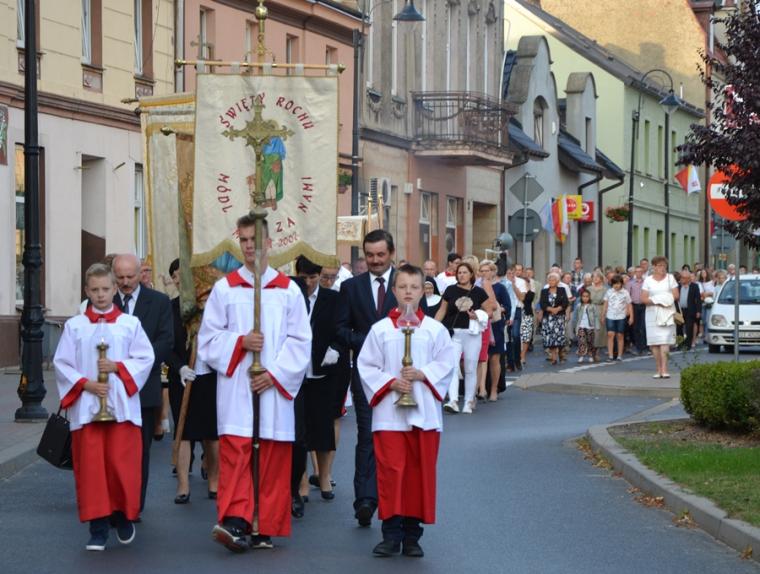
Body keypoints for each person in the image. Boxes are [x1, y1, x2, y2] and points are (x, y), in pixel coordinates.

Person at [197, 215, 311, 552]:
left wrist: (273, 374)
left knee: (272, 457)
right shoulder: (225, 289)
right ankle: (236, 520)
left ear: (269, 243)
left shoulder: (288, 291)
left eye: (255, 240)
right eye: (244, 240)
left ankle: (265, 525)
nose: (249, 246)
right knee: (236, 453)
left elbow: (301, 341)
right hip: (237, 389)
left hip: (272, 389)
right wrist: (241, 343)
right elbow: (207, 340)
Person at [53, 263, 154, 551]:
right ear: (87, 291)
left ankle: (122, 517)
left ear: (114, 289)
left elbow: (145, 358)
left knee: (121, 467)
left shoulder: (129, 324)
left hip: (121, 409)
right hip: (87, 409)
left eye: (105, 289)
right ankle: (97, 529)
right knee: (92, 471)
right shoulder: (75, 326)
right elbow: (62, 364)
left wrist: (117, 367)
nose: (100, 295)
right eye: (95, 290)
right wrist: (86, 384)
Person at [357, 264, 455, 558]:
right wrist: (390, 382)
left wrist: (423, 374)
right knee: (392, 473)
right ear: (394, 291)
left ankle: (413, 535)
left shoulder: (435, 330)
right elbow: (366, 366)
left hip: (424, 414)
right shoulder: (380, 330)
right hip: (389, 416)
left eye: (414, 287)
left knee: (418, 474)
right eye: (402, 287)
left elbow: (447, 363)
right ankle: (391, 534)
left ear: (423, 290)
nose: (408, 292)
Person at [336, 229, 399, 527]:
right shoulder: (351, 287)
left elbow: (422, 323)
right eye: (370, 255)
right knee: (367, 435)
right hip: (365, 375)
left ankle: (394, 501)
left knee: (396, 439)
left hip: (401, 376)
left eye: (380, 255)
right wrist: (368, 341)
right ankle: (365, 499)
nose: (375, 260)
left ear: (391, 253)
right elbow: (340, 329)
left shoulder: (406, 284)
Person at [112, 253, 173, 512]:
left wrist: (135, 366)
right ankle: (113, 503)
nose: (125, 282)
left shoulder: (159, 302)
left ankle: (134, 505)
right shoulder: (104, 301)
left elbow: (166, 341)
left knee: (139, 450)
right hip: (111, 387)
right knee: (113, 450)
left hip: (144, 387)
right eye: (120, 277)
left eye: (130, 276)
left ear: (141, 274)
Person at [292, 255, 344, 514]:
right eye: (304, 278)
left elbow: (342, 329)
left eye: (313, 278)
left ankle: (324, 476)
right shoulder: (290, 296)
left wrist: (335, 348)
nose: (309, 283)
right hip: (295, 374)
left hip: (324, 371)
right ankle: (301, 481)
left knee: (323, 427)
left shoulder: (332, 299)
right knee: (299, 430)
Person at [165, 259, 219, 505]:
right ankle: (183, 484)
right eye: (177, 276)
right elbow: (166, 343)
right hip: (182, 377)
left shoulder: (211, 307)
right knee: (183, 430)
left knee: (211, 432)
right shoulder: (170, 308)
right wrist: (180, 367)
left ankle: (214, 479)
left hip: (210, 375)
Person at [435, 262, 489, 414]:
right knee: (452, 367)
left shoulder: (478, 292)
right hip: (453, 333)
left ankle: (469, 401)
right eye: (459, 273)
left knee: (470, 368)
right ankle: (453, 401)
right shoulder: (450, 290)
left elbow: (490, 310)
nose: (462, 275)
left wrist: (477, 315)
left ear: (471, 274)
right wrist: (433, 327)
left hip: (472, 334)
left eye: (465, 272)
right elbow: (442, 310)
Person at [641, 256, 679, 379]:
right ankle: (658, 369)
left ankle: (665, 369)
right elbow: (644, 298)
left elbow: (676, 295)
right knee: (654, 343)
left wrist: (664, 301)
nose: (662, 268)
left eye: (664, 265)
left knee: (664, 341)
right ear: (654, 267)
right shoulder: (648, 280)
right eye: (659, 265)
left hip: (667, 312)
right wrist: (659, 300)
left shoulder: (670, 278)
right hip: (652, 313)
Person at [539, 273, 569, 365]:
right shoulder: (544, 291)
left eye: (553, 280)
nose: (551, 281)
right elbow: (542, 304)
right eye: (550, 280)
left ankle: (560, 354)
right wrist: (551, 309)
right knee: (550, 338)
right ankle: (554, 357)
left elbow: (565, 302)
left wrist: (557, 309)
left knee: (559, 337)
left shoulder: (562, 290)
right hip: (548, 318)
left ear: (557, 281)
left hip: (559, 317)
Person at [602, 275, 633, 361]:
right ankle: (610, 355)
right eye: (614, 283)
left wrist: (631, 317)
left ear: (621, 284)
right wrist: (603, 315)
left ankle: (619, 355)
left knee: (620, 335)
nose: (616, 285)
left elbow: (629, 304)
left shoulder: (625, 292)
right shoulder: (609, 292)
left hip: (621, 316)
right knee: (610, 334)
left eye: (618, 283)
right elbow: (605, 304)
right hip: (610, 315)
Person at [587, 271, 607, 363]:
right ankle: (590, 352)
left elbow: (606, 303)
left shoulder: (605, 290)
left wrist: (603, 314)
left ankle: (596, 352)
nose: (595, 278)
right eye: (593, 277)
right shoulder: (588, 289)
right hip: (589, 310)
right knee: (590, 332)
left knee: (598, 333)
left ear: (601, 279)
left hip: (600, 310)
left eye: (597, 277)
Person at [678, 270, 702, 350]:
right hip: (680, 310)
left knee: (689, 328)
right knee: (679, 327)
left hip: (690, 310)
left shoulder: (694, 286)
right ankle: (680, 344)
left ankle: (688, 344)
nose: (682, 279)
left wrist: (698, 311)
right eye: (681, 277)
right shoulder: (678, 286)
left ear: (688, 279)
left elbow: (698, 299)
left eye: (684, 278)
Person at [627, 266, 647, 355]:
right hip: (634, 306)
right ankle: (638, 347)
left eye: (640, 271)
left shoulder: (646, 282)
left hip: (644, 306)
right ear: (635, 273)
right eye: (637, 271)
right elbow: (627, 296)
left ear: (642, 273)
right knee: (635, 327)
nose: (639, 273)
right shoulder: (630, 283)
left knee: (643, 327)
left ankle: (644, 347)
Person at [575, 289, 599, 363]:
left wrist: (597, 326)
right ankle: (581, 355)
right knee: (581, 341)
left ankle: (590, 355)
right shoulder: (579, 306)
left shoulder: (592, 306)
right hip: (581, 326)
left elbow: (596, 316)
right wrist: (575, 326)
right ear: (581, 297)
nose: (585, 298)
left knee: (590, 341)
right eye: (583, 296)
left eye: (587, 296)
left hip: (590, 326)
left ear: (589, 297)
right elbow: (576, 316)